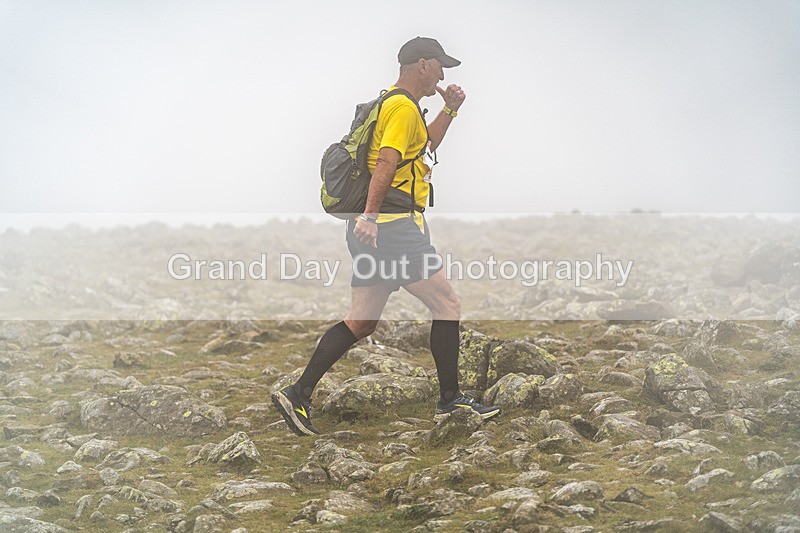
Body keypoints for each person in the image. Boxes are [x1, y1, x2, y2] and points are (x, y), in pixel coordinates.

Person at [271, 37, 501, 436]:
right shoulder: (402, 107)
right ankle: (451, 402)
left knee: (361, 322)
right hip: (390, 228)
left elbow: (423, 145)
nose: (442, 75)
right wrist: (372, 217)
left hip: (372, 229)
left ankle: (297, 394)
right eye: (440, 66)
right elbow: (387, 162)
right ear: (422, 64)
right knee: (447, 303)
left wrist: (450, 109)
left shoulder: (395, 104)